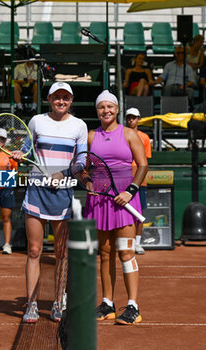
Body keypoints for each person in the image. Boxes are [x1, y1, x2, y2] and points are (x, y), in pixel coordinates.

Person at [11, 82, 88, 323]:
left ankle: (57, 302)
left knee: (61, 253)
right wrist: (18, 153)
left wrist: (64, 173)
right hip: (36, 191)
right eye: (57, 97)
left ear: (71, 100)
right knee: (34, 251)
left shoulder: (79, 126)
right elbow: (25, 148)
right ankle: (32, 304)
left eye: (66, 97)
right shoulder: (36, 121)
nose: (61, 101)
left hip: (63, 192)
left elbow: (82, 159)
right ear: (49, 98)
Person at [84, 90, 148, 325]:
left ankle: (133, 307)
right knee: (104, 253)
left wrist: (130, 192)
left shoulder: (130, 134)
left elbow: (142, 165)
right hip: (99, 200)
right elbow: (81, 167)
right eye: (102, 107)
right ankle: (107, 304)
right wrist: (87, 181)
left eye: (110, 106)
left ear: (117, 109)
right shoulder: (90, 136)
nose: (106, 111)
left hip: (125, 199)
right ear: (97, 110)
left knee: (126, 252)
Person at [125, 107, 152, 255]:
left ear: (138, 119)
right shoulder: (121, 135)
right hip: (123, 179)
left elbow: (144, 161)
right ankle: (125, 242)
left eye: (134, 117)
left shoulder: (145, 138)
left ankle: (137, 243)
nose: (131, 120)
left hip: (139, 181)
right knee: (123, 212)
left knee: (139, 213)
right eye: (129, 117)